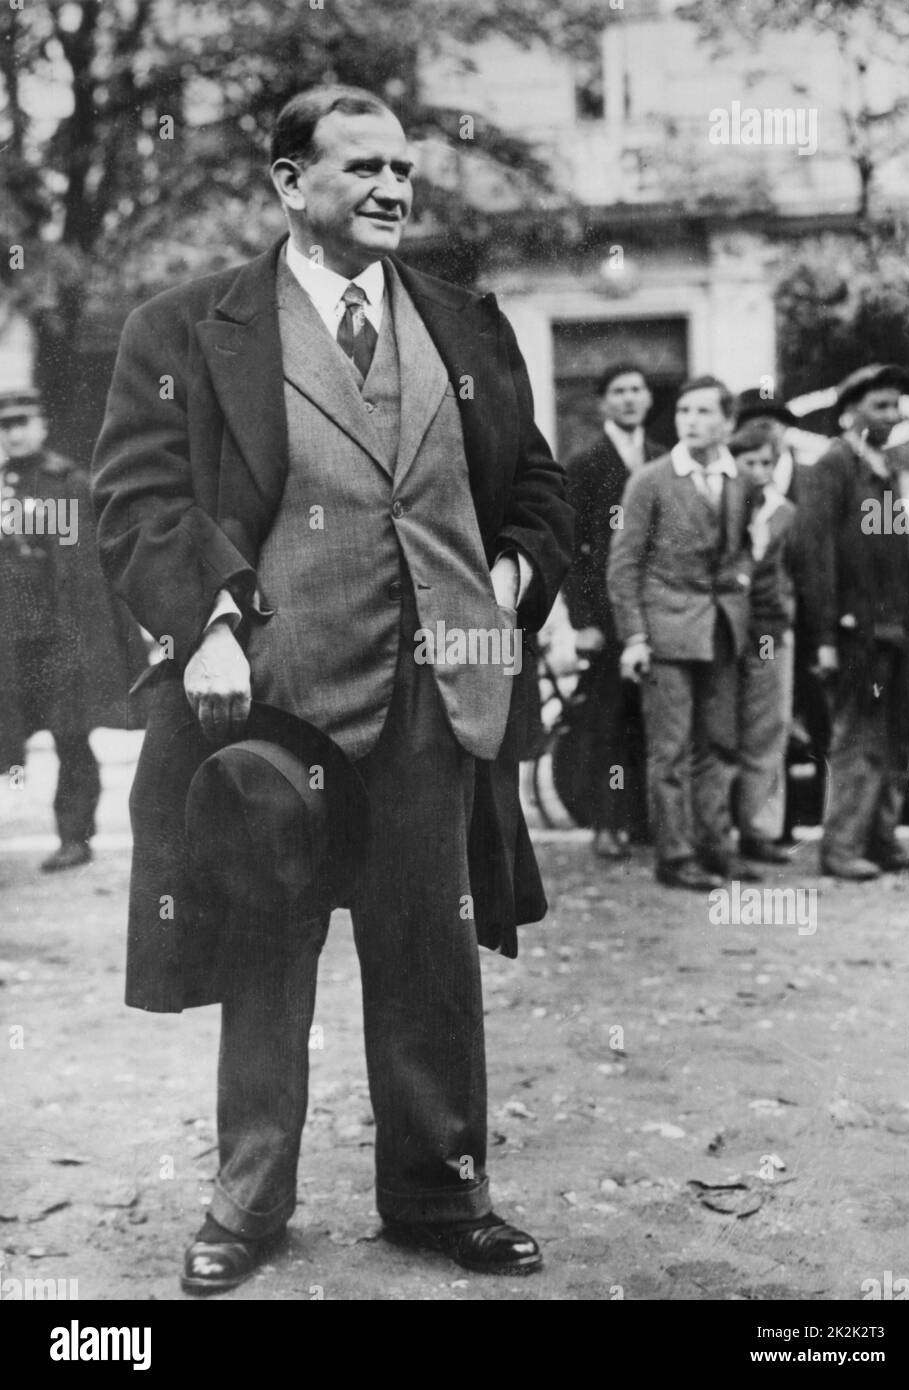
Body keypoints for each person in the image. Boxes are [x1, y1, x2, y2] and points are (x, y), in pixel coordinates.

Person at [91, 85, 573, 1293]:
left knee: (431, 947)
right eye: (361, 167)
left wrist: (505, 579)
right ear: (287, 182)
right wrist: (205, 623)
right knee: (267, 950)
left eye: (404, 168)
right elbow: (141, 501)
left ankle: (439, 1192)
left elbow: (538, 483)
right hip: (274, 702)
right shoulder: (188, 326)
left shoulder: (465, 324)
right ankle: (246, 1203)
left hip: (434, 698)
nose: (392, 187)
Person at [606, 375, 757, 891]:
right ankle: (675, 856)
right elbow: (623, 566)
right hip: (665, 631)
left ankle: (718, 849)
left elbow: (739, 554)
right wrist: (634, 639)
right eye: (685, 411)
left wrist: (738, 601)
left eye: (704, 412)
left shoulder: (737, 480)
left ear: (728, 423)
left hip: (720, 631)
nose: (691, 421)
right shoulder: (650, 480)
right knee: (668, 752)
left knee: (719, 745)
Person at [0, 388, 145, 871]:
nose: (14, 433)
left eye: (23, 422)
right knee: (7, 736)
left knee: (69, 733)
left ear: (42, 425)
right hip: (8, 637)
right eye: (5, 426)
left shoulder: (63, 484)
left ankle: (74, 835)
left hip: (56, 636)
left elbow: (76, 567)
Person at [798, 363, 909, 880]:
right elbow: (816, 555)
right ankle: (843, 847)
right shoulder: (834, 466)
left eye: (896, 405)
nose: (891, 415)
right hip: (857, 631)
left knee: (895, 739)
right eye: (879, 405)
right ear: (850, 412)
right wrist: (826, 635)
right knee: (857, 739)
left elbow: (900, 554)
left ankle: (882, 840)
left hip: (894, 629)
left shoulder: (885, 470)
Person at [564, 363, 665, 858]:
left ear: (648, 399)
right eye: (619, 392)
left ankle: (647, 822)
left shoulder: (663, 459)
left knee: (654, 720)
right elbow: (569, 548)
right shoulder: (583, 465)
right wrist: (582, 622)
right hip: (606, 620)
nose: (629, 400)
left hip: (657, 614)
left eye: (637, 390)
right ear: (603, 402)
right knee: (607, 723)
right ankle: (606, 822)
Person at [729, 420, 797, 863]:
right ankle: (716, 831)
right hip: (729, 632)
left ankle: (760, 829)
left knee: (768, 731)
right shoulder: (724, 504)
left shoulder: (785, 513)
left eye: (766, 462)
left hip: (770, 632)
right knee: (718, 734)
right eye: (748, 461)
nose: (757, 470)